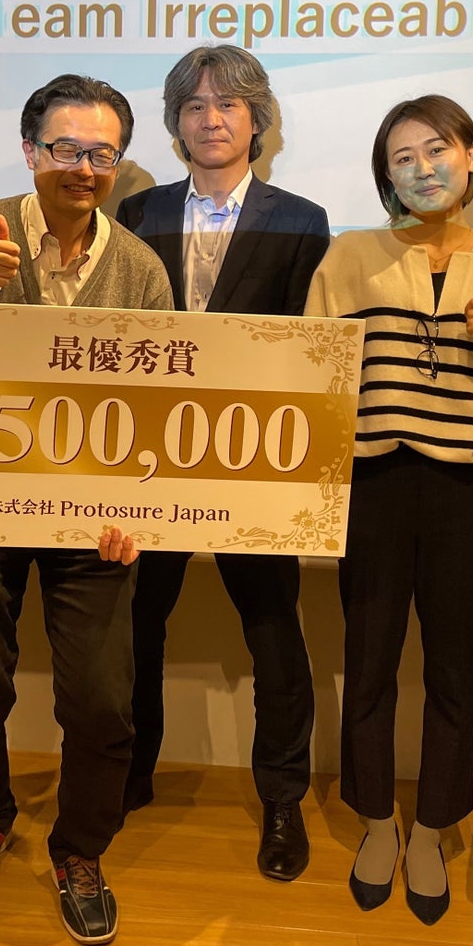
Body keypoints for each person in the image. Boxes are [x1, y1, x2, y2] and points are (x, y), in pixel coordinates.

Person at [0, 74, 172, 946]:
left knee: (101, 702)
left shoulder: (139, 267)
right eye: (67, 148)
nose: (84, 168)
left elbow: (158, 406)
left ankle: (80, 851)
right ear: (31, 150)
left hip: (93, 521)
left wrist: (141, 512)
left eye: (103, 153)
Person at [304, 94, 473, 925]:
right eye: (401, 158)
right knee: (368, 660)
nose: (422, 169)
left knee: (453, 667)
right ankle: (377, 820)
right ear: (386, 175)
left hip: (465, 493)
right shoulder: (349, 257)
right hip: (373, 485)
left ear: (471, 155)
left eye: (437, 150)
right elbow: (317, 378)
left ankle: (433, 830)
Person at [114, 45, 329, 880]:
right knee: (138, 622)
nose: (212, 119)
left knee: (272, 629)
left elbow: (305, 346)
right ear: (176, 121)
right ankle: (132, 774)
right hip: (151, 458)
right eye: (196, 105)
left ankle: (281, 798)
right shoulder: (138, 212)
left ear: (256, 119)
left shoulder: (301, 219)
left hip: (251, 459)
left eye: (229, 104)